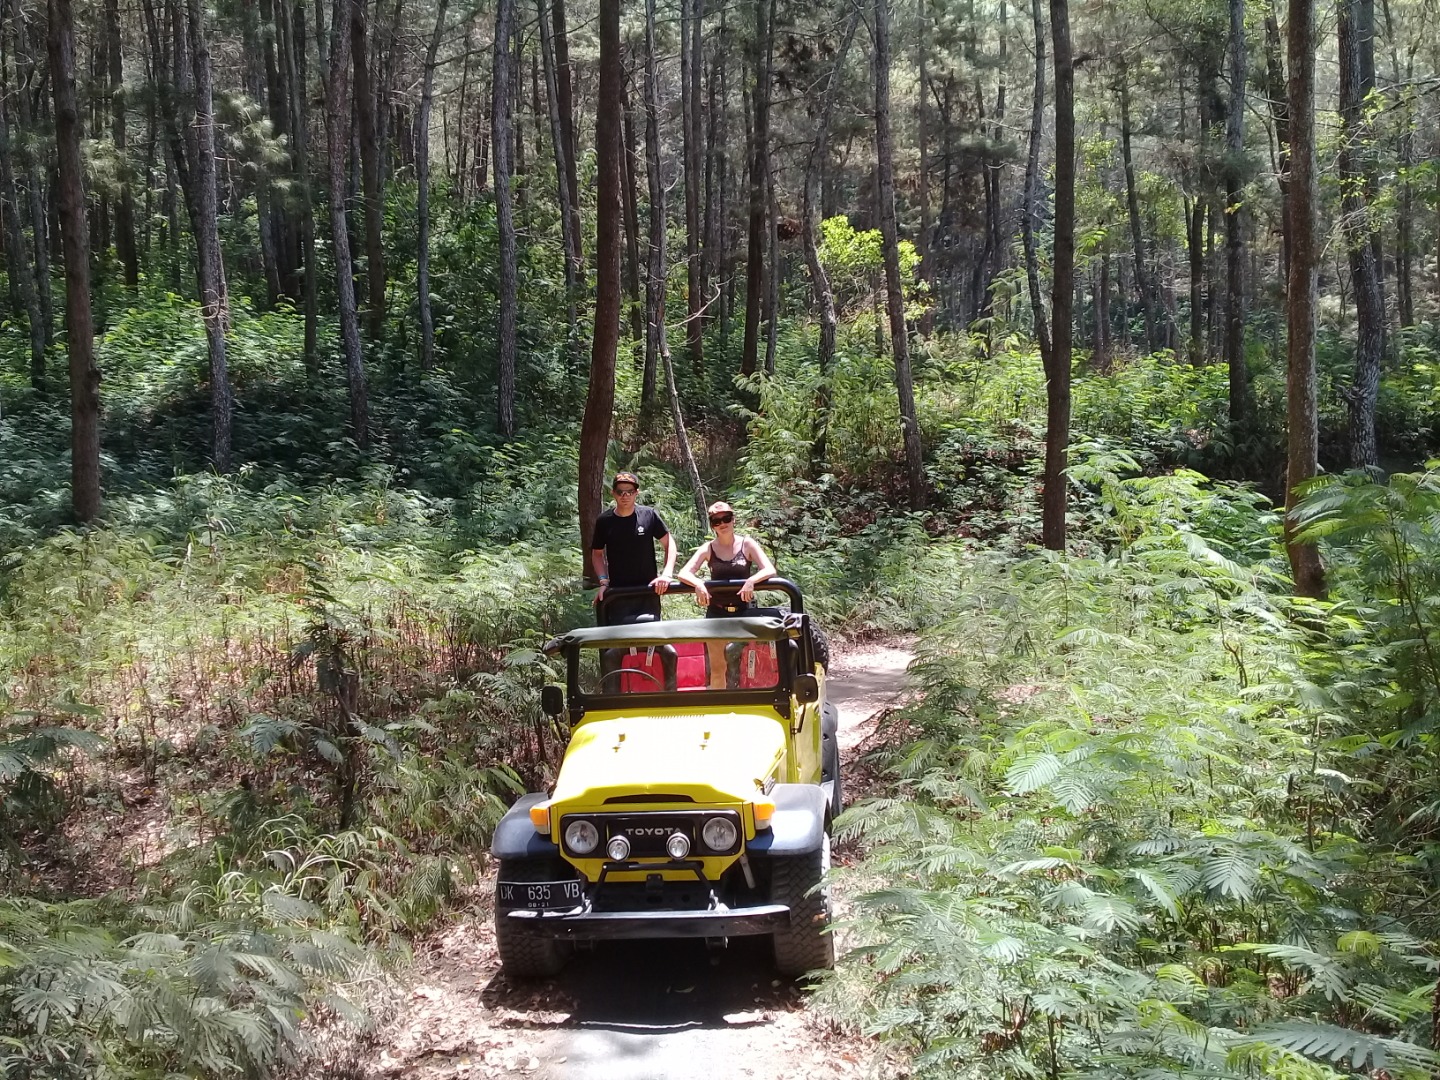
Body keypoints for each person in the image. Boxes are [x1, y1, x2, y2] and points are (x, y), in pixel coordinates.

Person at [676, 501, 777, 687]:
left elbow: (769, 569)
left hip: (744, 612)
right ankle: (718, 706)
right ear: (712, 524)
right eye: (716, 521)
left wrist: (751, 581)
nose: (722, 524)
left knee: (748, 661)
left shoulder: (747, 544)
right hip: (717, 612)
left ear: (733, 519)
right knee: (718, 667)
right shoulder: (709, 548)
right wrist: (698, 583)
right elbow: (683, 573)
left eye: (726, 518)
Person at [591, 471, 676, 625]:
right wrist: (604, 582)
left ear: (637, 493)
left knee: (650, 639)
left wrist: (667, 574)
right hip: (617, 593)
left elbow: (669, 543)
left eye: (630, 491)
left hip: (648, 590)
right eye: (620, 492)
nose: (625, 496)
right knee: (620, 644)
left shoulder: (648, 515)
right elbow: (597, 553)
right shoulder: (604, 521)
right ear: (613, 493)